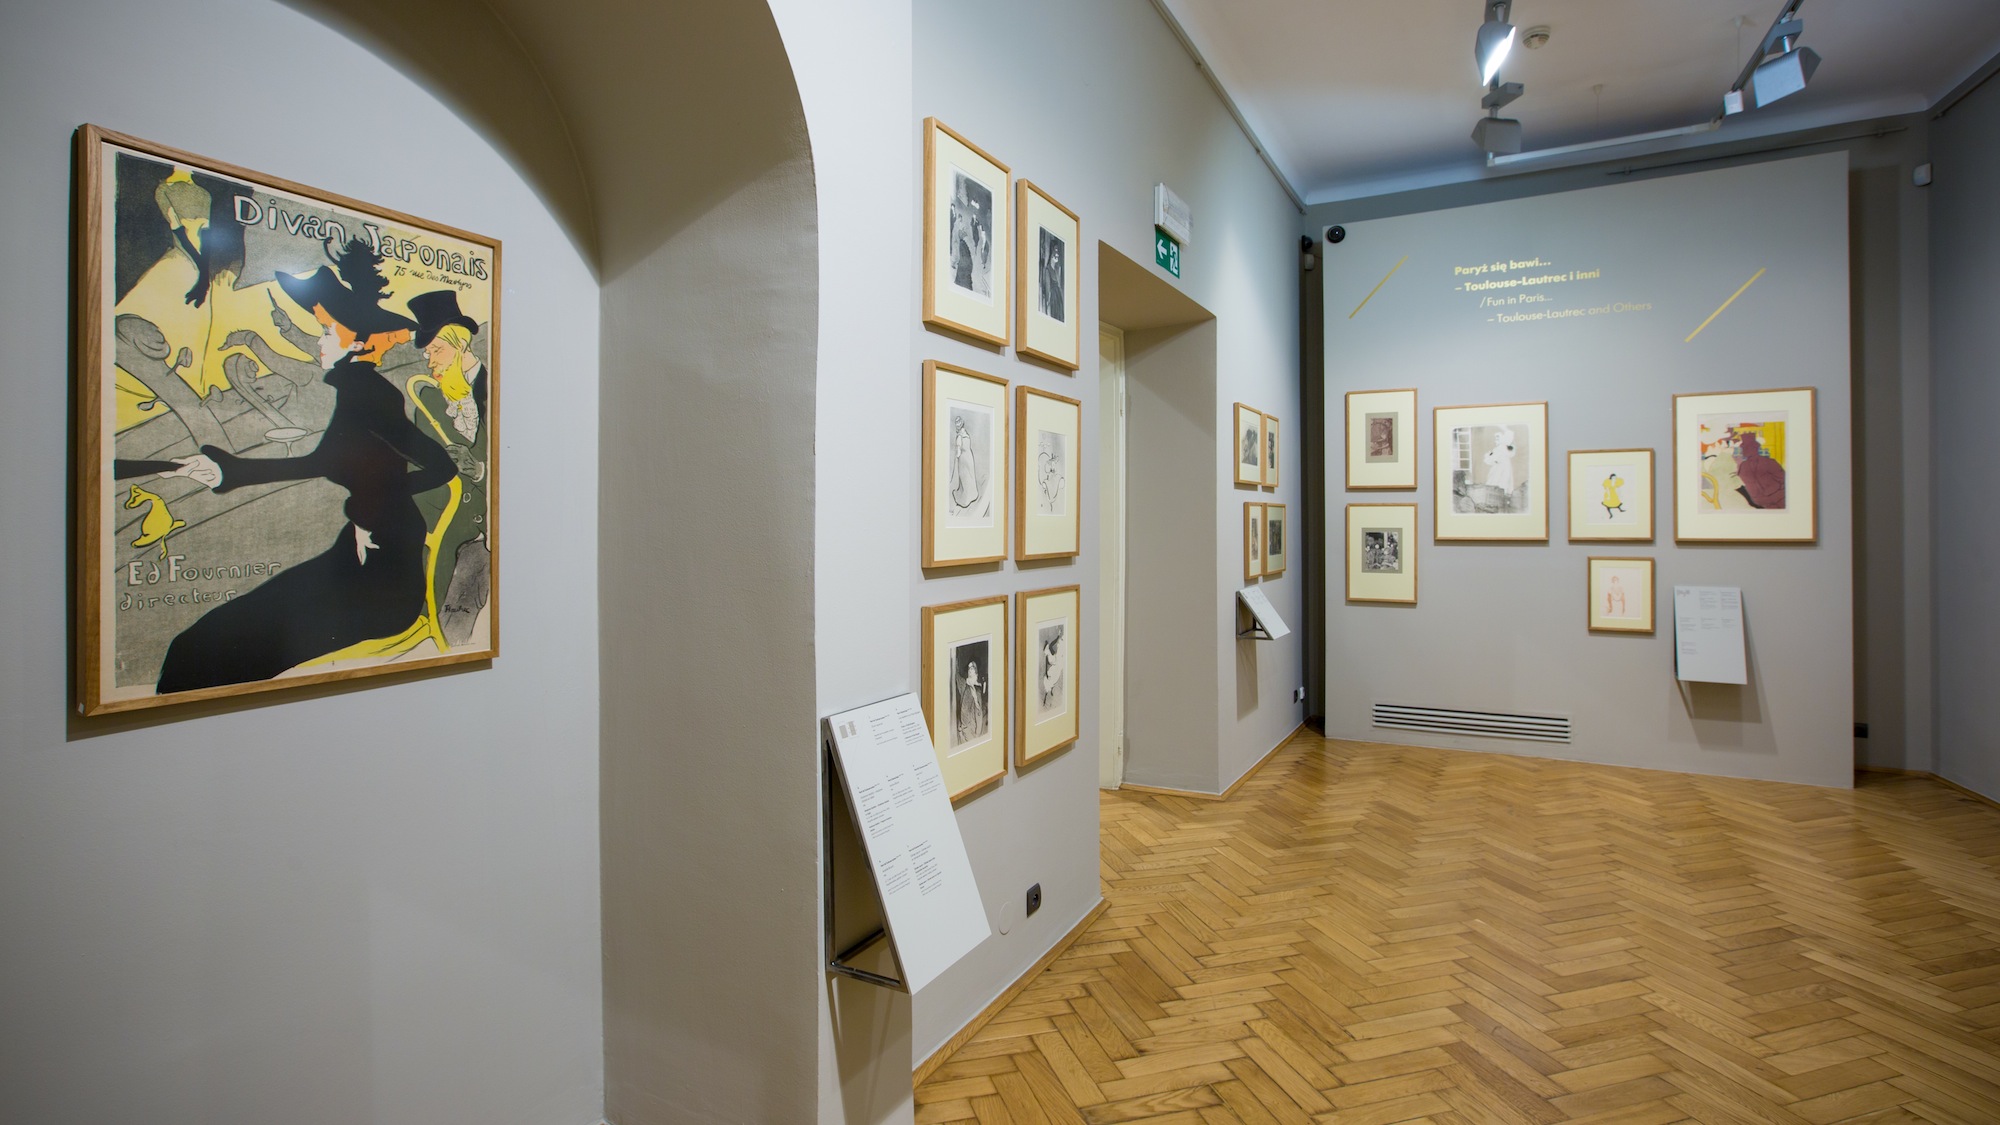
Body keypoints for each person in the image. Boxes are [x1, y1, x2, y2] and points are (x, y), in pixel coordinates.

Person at [153, 239, 454, 692]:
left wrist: (378, 507)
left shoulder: (369, 395)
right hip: (360, 556)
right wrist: (226, 470)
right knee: (203, 646)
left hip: (383, 575)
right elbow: (320, 463)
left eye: (327, 330)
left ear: (355, 341)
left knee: (207, 649)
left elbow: (441, 466)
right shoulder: (355, 391)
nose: (319, 340)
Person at [1732, 430, 1786, 510]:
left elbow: (1783, 478)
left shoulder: (1766, 462)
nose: (1744, 451)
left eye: (1746, 448)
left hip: (1772, 499)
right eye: (1744, 448)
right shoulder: (1744, 466)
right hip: (1764, 500)